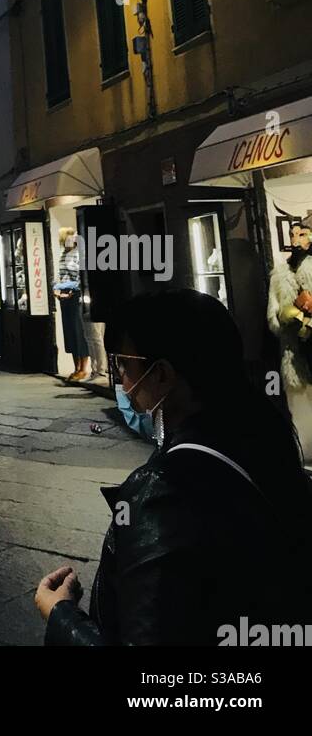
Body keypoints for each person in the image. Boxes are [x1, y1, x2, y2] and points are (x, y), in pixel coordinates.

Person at [35, 290, 312, 646]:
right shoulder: (268, 443)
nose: (122, 384)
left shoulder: (161, 493)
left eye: (124, 366)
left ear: (162, 374)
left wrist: (61, 615)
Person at [267, 216, 312, 457]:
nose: (296, 240)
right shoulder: (280, 274)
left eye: (302, 234)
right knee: (302, 409)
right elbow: (273, 318)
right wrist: (289, 318)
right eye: (293, 235)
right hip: (294, 351)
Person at [54, 228, 90, 382]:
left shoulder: (78, 255)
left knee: (78, 332)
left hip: (75, 297)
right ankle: (76, 368)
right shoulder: (63, 254)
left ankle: (83, 368)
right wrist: (56, 289)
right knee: (69, 333)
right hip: (64, 297)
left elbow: (80, 277)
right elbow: (60, 276)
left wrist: (70, 291)